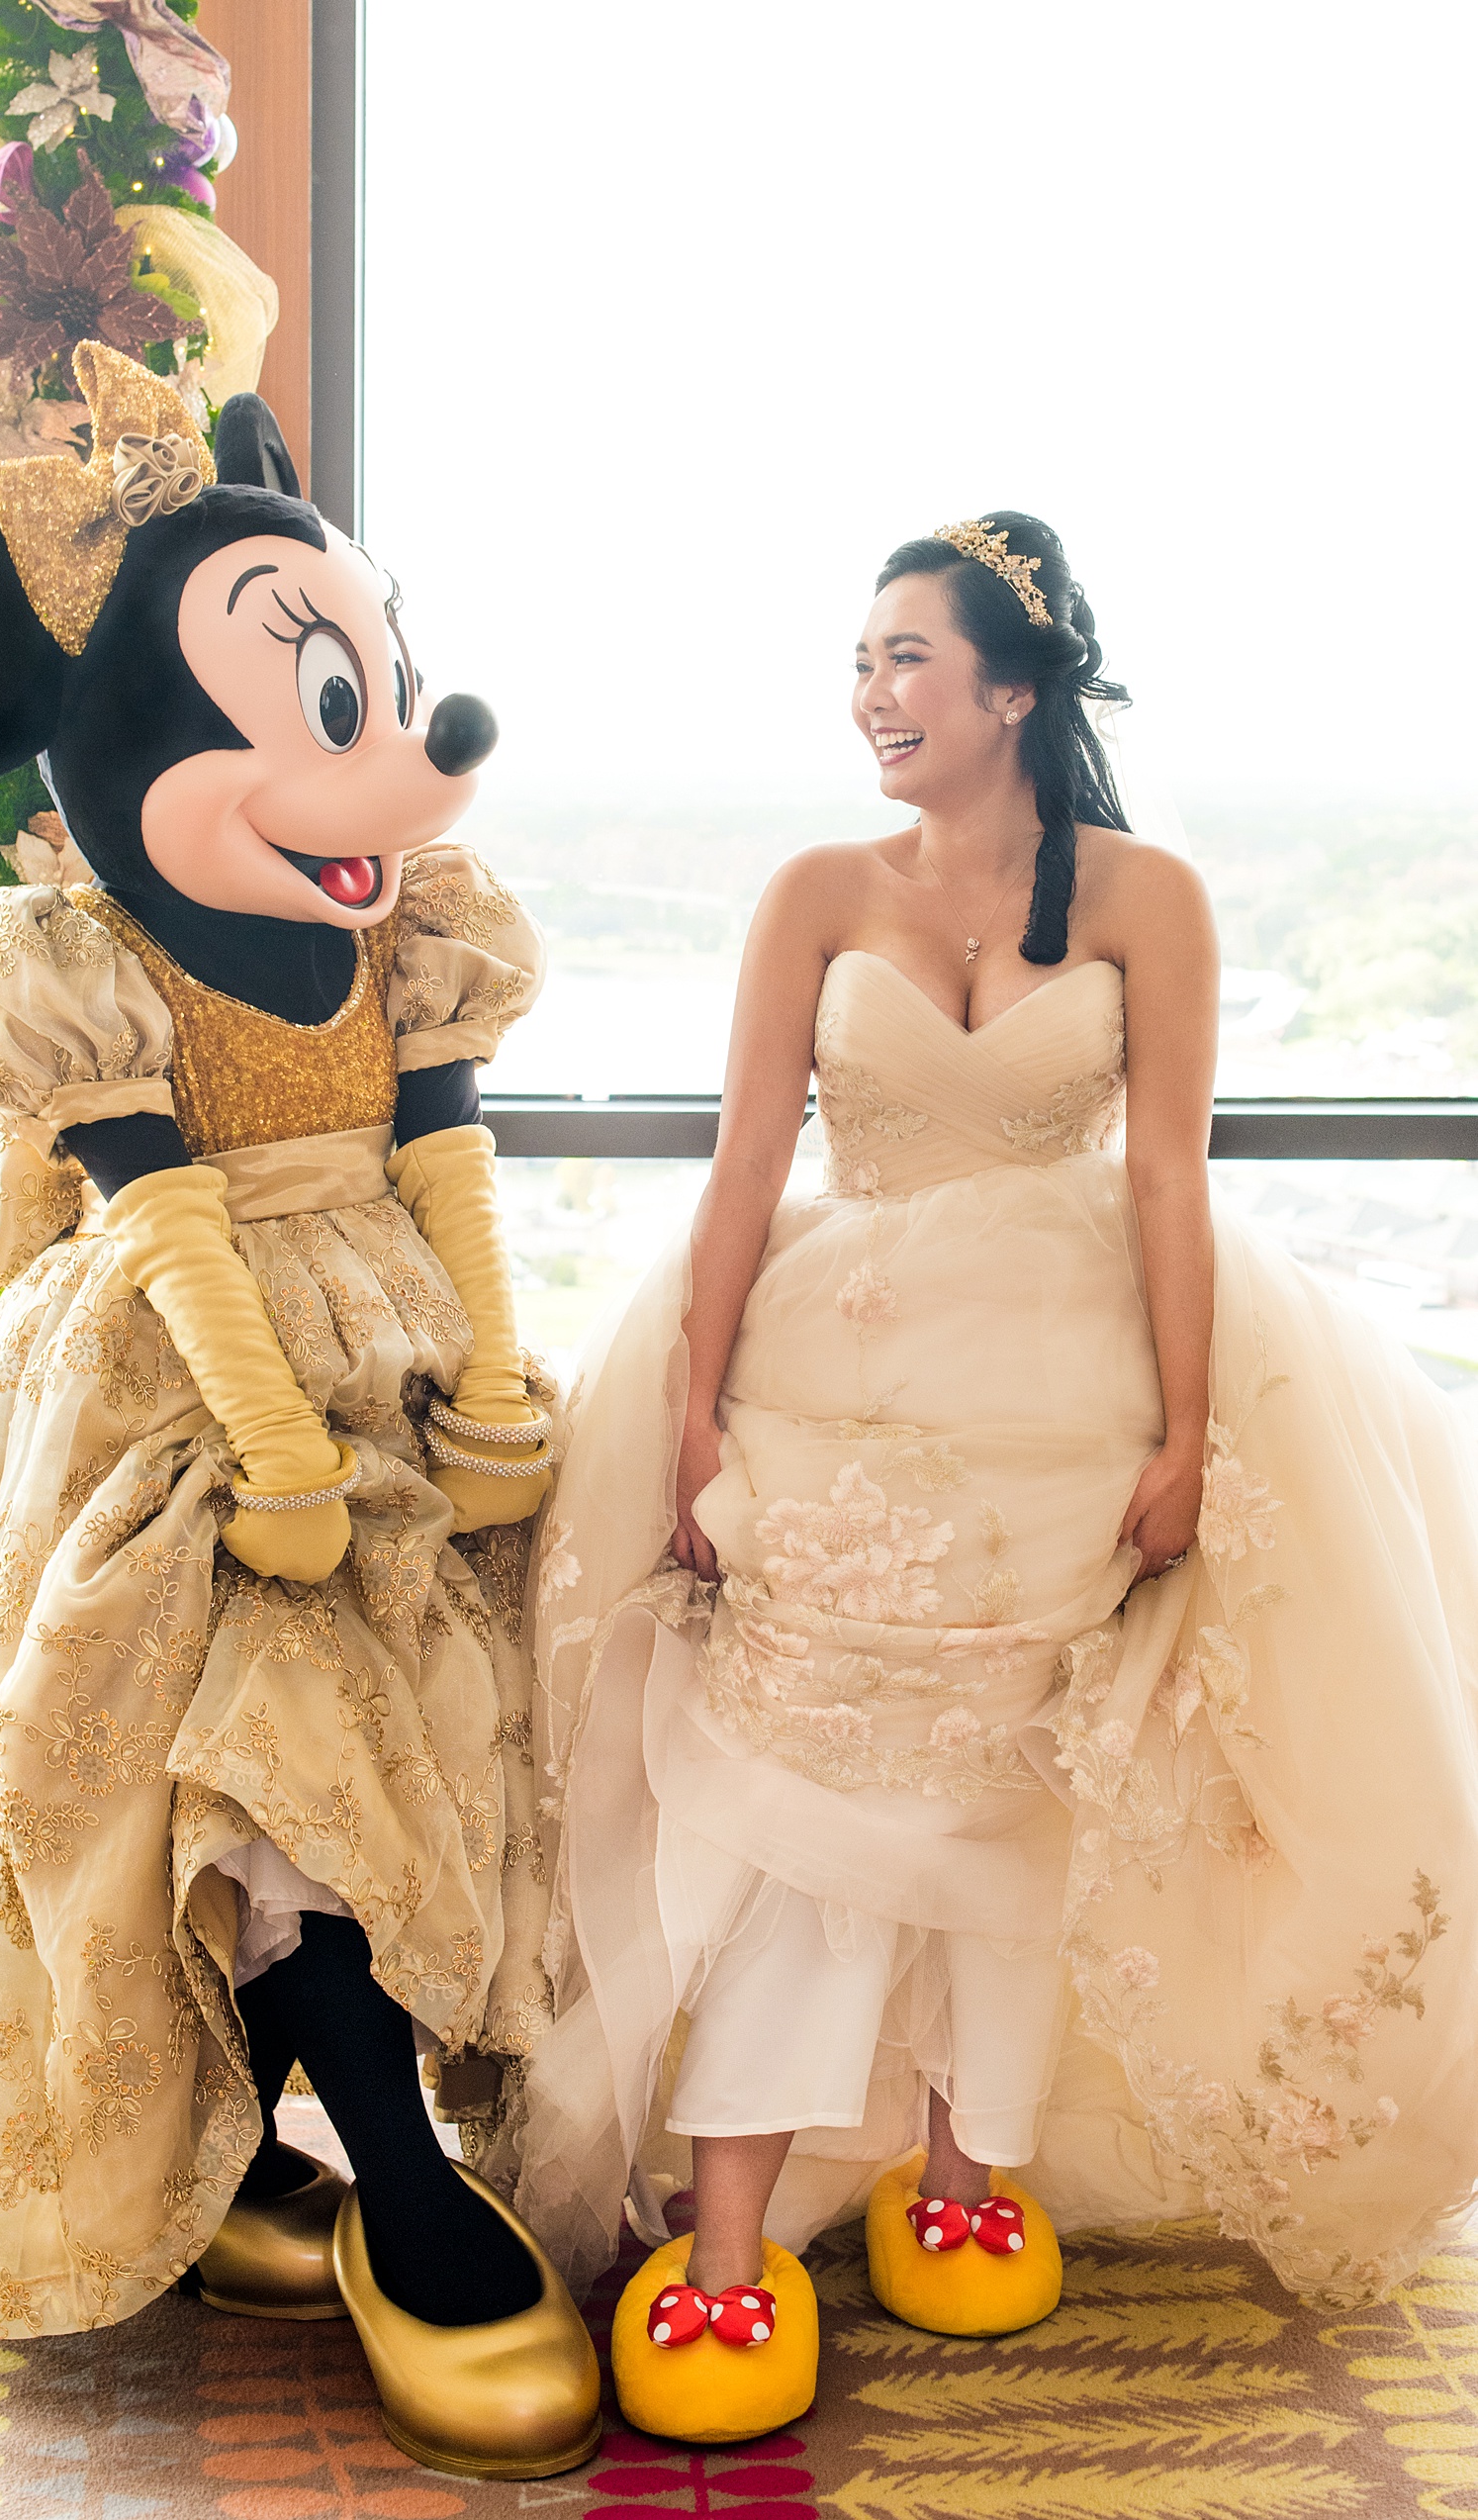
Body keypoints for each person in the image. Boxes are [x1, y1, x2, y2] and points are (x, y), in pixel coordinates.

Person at [517, 513, 1478, 2443]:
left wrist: (1188, 1433)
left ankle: (970, 2153)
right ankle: (724, 2233)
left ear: (1013, 687)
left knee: (1019, 1801)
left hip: (1067, 1393)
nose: (867, 693)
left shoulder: (1148, 898)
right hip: (836, 1386)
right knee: (795, 1793)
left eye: (902, 659)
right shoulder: (812, 887)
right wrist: (697, 1414)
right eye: (859, 661)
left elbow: (1161, 1181)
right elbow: (734, 1169)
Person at [0, 348, 600, 2481]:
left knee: (406, 1746)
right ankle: (402, 2193)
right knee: (247, 1763)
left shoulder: (409, 932)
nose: (397, 738)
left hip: (393, 1324)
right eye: (317, 690)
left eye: (381, 670)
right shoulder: (74, 961)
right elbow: (152, 1204)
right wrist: (262, 1443)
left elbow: (444, 1151)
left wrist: (497, 1381)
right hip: (182, 1353)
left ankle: (271, 2154)